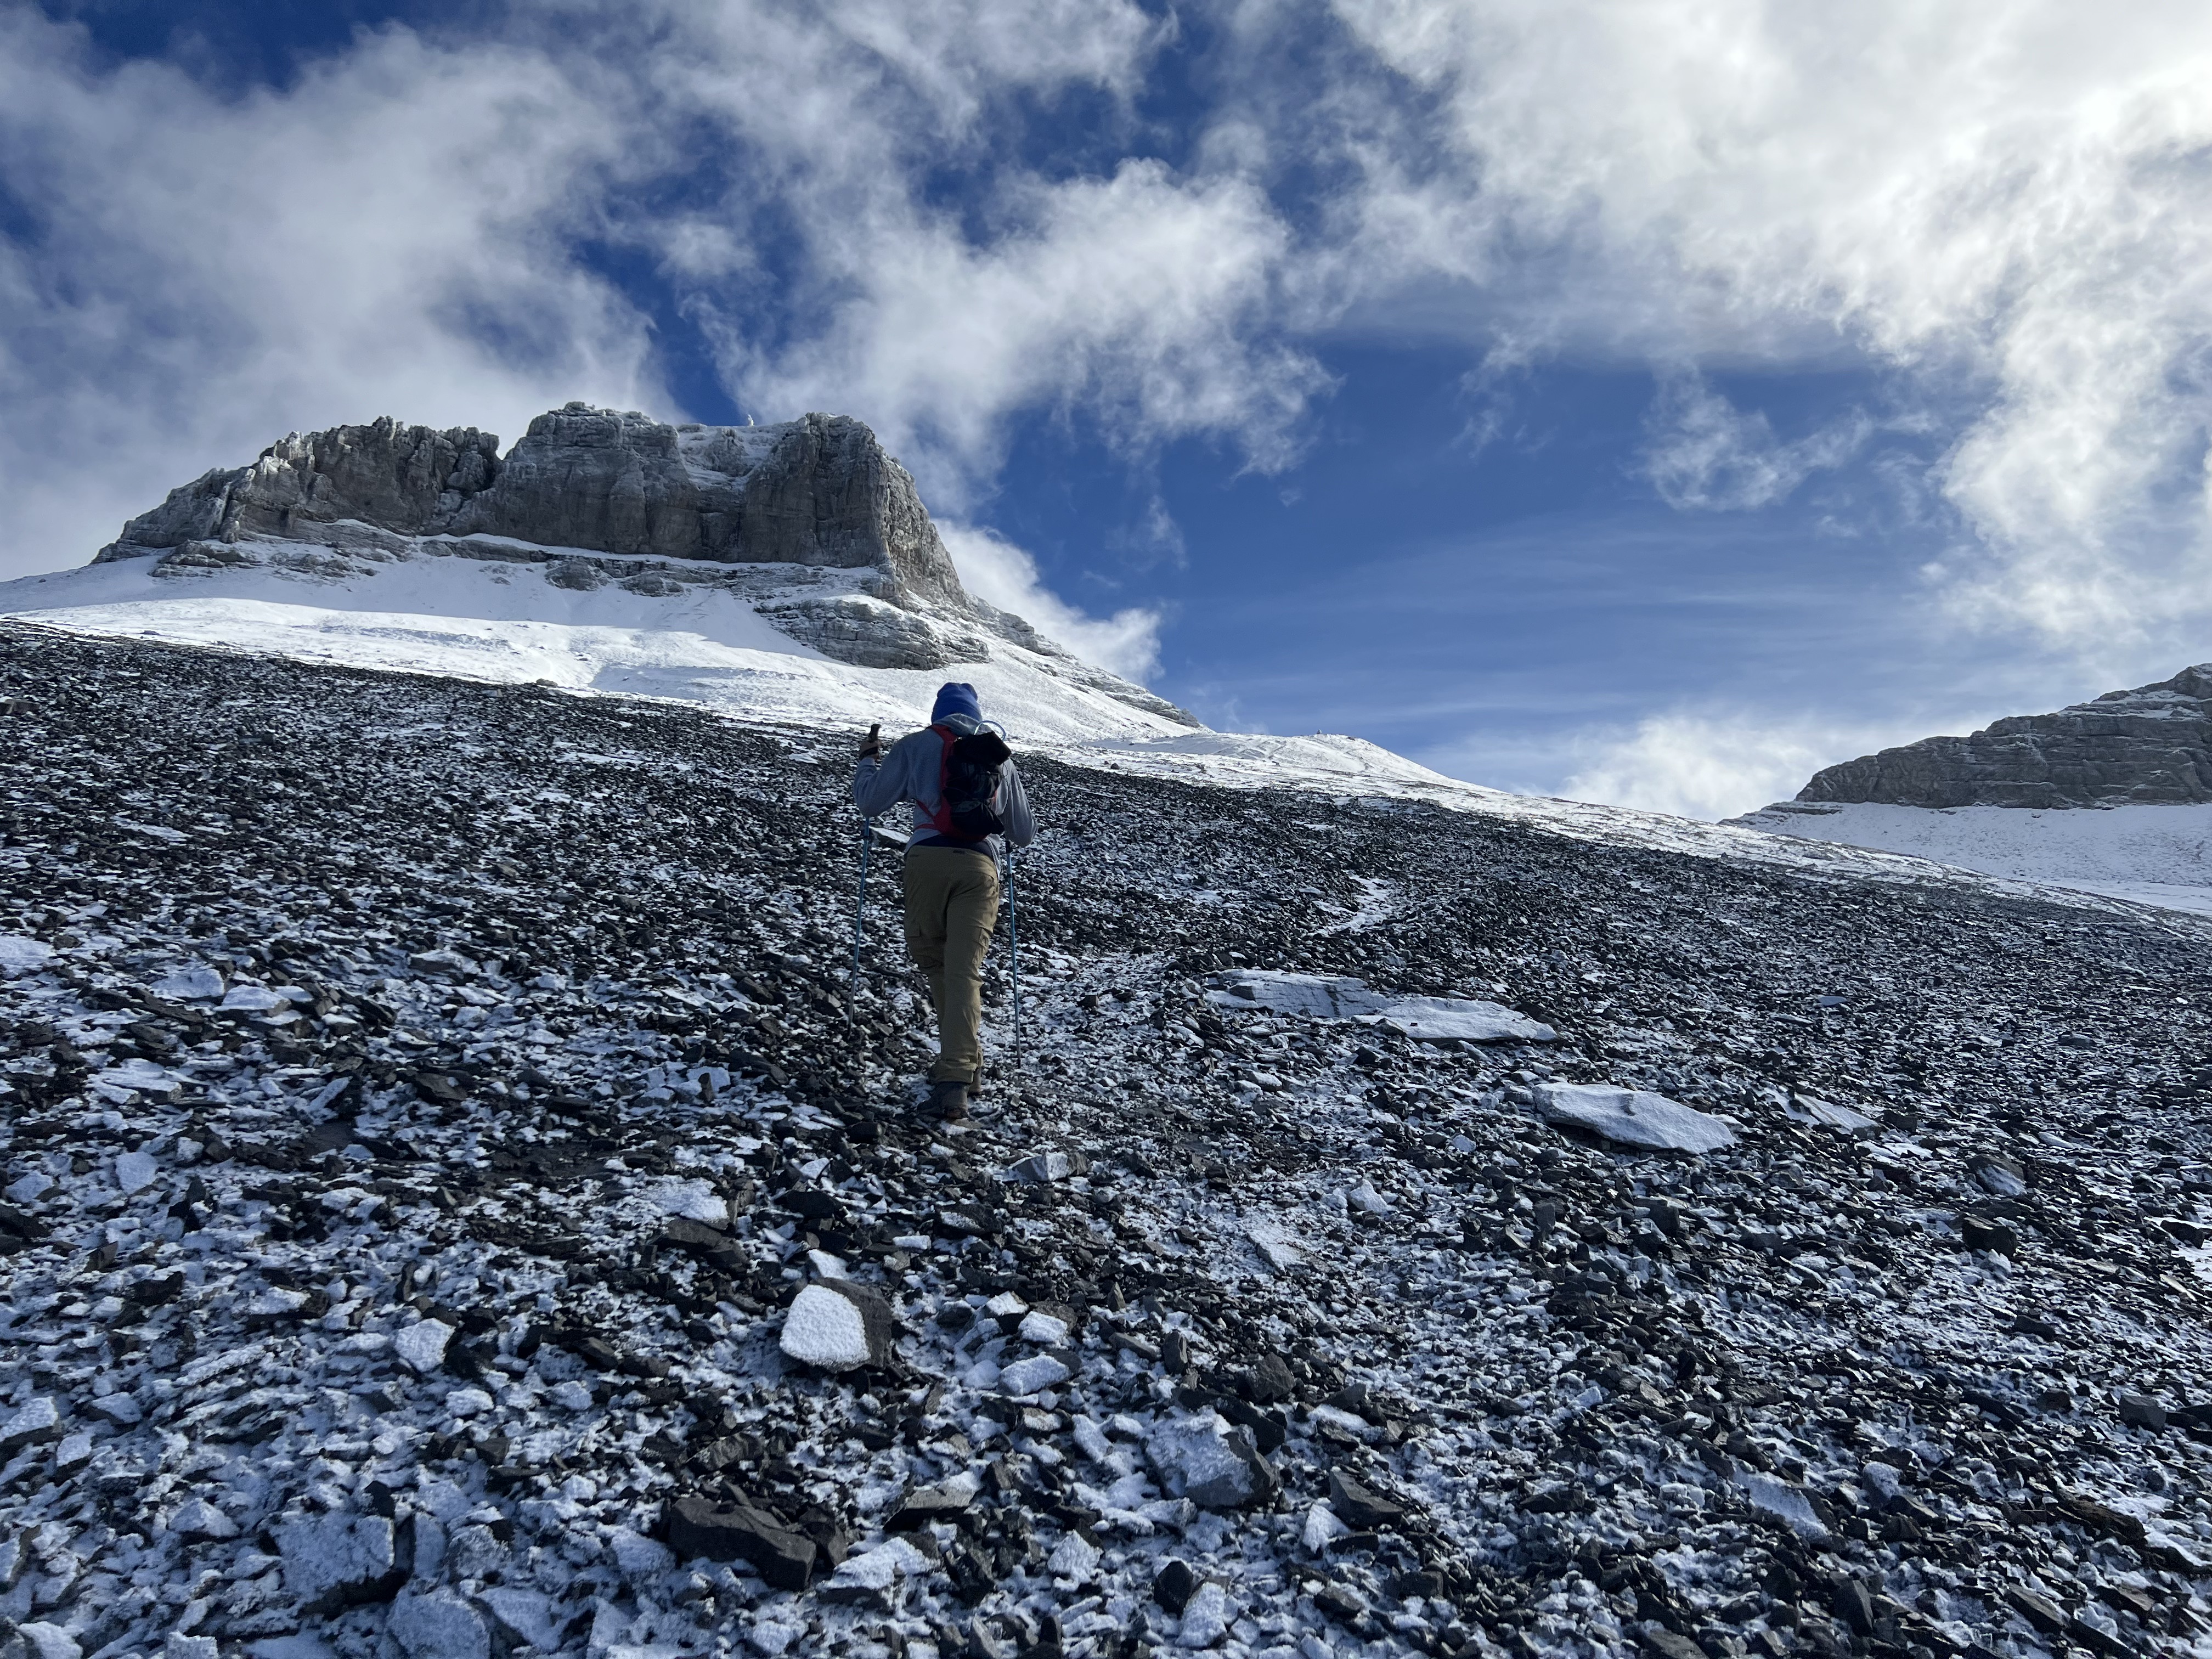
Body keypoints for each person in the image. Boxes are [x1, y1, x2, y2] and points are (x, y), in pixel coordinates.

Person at [854, 682, 1035, 1119]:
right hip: (980, 868)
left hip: (927, 862)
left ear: (939, 713)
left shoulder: (915, 745)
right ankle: (963, 1067)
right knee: (965, 969)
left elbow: (870, 803)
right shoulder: (999, 758)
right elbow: (1023, 834)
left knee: (936, 962)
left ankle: (956, 1074)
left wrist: (866, 761)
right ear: (976, 714)